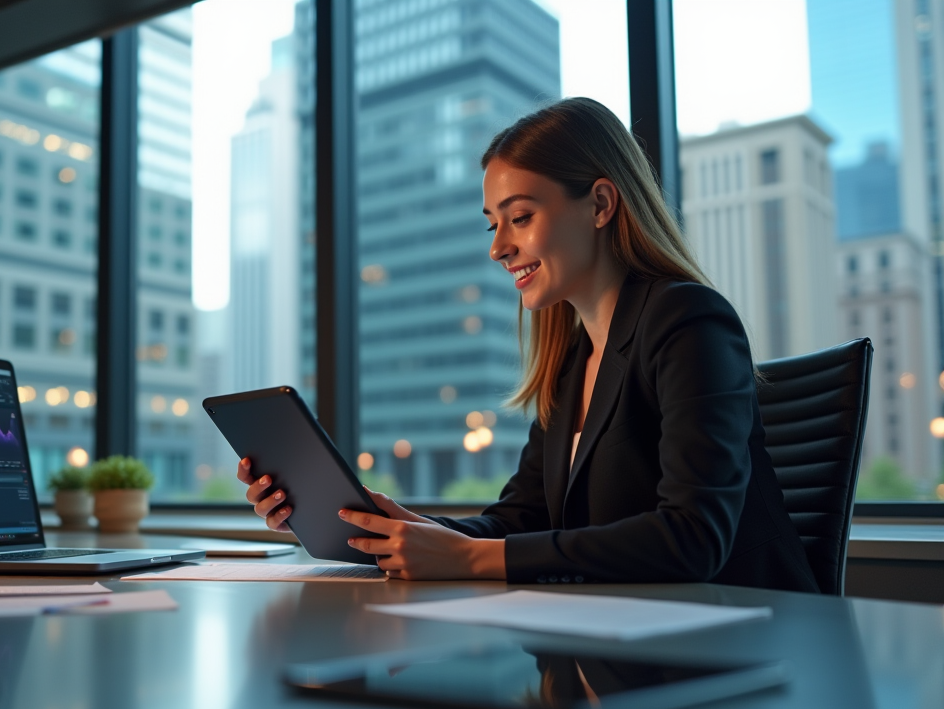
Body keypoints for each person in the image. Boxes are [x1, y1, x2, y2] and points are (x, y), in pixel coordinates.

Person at [237, 97, 819, 593]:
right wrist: (390, 527)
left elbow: (694, 538)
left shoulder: (687, 320)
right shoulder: (572, 360)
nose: (498, 248)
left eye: (519, 217)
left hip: (744, 643)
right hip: (628, 636)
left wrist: (467, 559)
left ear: (600, 204)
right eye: (493, 224)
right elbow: (522, 520)